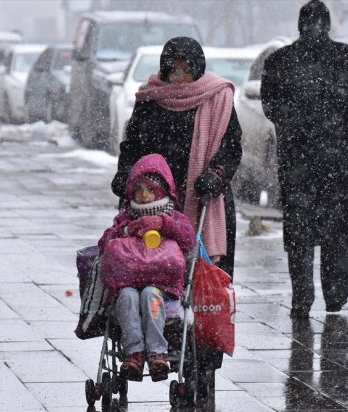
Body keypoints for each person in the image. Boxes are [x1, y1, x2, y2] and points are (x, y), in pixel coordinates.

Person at [261, 0, 348, 319]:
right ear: (328, 24)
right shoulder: (347, 58)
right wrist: (338, 121)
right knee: (334, 233)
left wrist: (297, 124)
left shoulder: (281, 60)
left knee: (300, 234)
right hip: (335, 162)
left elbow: (271, 106)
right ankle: (333, 295)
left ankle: (303, 296)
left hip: (300, 162)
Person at [112, 36, 242, 279]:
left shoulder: (218, 96)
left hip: (202, 195)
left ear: (198, 68)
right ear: (165, 68)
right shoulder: (150, 98)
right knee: (150, 263)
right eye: (174, 68)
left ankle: (204, 311)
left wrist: (217, 174)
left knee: (205, 275)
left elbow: (232, 146)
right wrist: (126, 173)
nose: (180, 75)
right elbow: (132, 145)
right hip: (154, 197)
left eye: (187, 68)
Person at [99, 153, 196, 382]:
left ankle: (156, 351)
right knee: (127, 297)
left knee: (151, 296)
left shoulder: (173, 217)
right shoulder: (125, 218)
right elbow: (104, 243)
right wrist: (125, 231)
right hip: (129, 282)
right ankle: (134, 351)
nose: (144, 196)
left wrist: (164, 224)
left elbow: (189, 241)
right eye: (139, 190)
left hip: (161, 285)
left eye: (151, 190)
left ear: (162, 192)